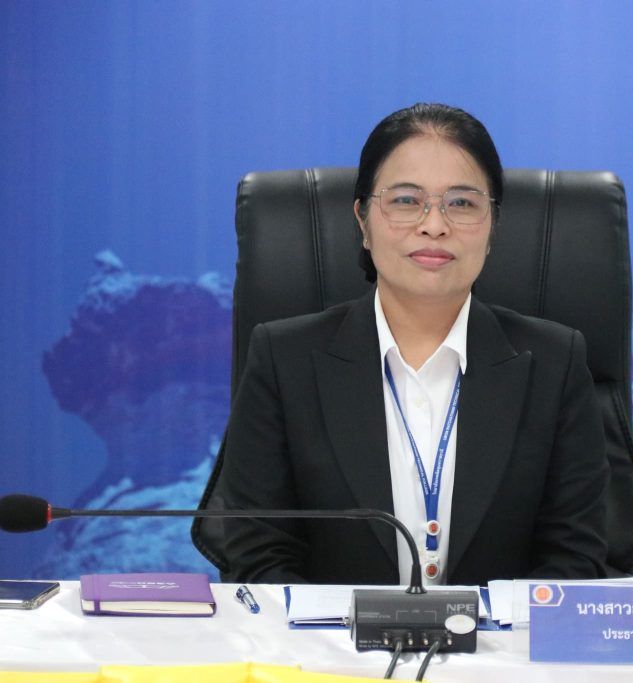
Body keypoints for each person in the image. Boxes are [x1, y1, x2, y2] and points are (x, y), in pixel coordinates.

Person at [218, 103, 609, 586]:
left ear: (493, 227)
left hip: (503, 638)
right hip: (328, 637)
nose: (434, 224)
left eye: (462, 203)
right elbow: (258, 556)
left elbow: (575, 558)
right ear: (363, 220)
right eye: (406, 200)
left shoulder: (554, 363)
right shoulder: (284, 360)